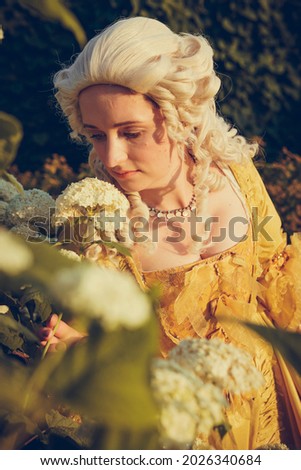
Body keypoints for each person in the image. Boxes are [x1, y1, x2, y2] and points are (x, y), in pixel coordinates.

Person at [40, 16, 301, 449]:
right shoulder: (101, 229)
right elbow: (93, 367)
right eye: (96, 136)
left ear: (180, 116)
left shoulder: (235, 172)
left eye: (131, 132)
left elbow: (280, 284)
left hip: (271, 416)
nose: (112, 156)